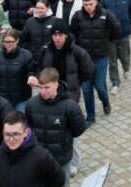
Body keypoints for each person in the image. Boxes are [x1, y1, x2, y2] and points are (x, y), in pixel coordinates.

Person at [24, 68, 86, 187]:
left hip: (61, 159)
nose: (43, 91)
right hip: (39, 160)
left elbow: (79, 129)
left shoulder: (69, 105)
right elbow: (27, 129)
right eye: (41, 87)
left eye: (47, 88)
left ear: (56, 85)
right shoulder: (32, 104)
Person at [31, 19, 94, 177]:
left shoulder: (77, 51)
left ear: (66, 35)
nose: (57, 38)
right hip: (48, 93)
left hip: (69, 96)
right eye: (54, 35)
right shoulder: (46, 50)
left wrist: (74, 84)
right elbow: (38, 67)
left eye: (60, 34)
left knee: (70, 131)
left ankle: (73, 162)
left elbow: (88, 70)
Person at [70, 0, 121, 123]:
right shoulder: (78, 16)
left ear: (96, 2)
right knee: (86, 89)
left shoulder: (106, 14)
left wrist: (108, 41)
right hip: (84, 59)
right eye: (86, 4)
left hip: (101, 57)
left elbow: (117, 28)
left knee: (100, 86)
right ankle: (90, 116)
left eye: (90, 4)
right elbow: (72, 33)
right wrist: (76, 47)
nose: (88, 7)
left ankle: (105, 101)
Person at [100, 0, 131, 92]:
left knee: (124, 58)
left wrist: (127, 18)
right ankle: (115, 83)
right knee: (112, 61)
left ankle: (126, 68)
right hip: (110, 35)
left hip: (124, 33)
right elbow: (101, 12)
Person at [0, 28, 37, 112]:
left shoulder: (26, 55)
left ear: (17, 41)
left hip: (21, 98)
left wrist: (31, 76)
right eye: (5, 42)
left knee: (20, 121)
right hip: (3, 98)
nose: (8, 44)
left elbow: (32, 70)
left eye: (11, 42)